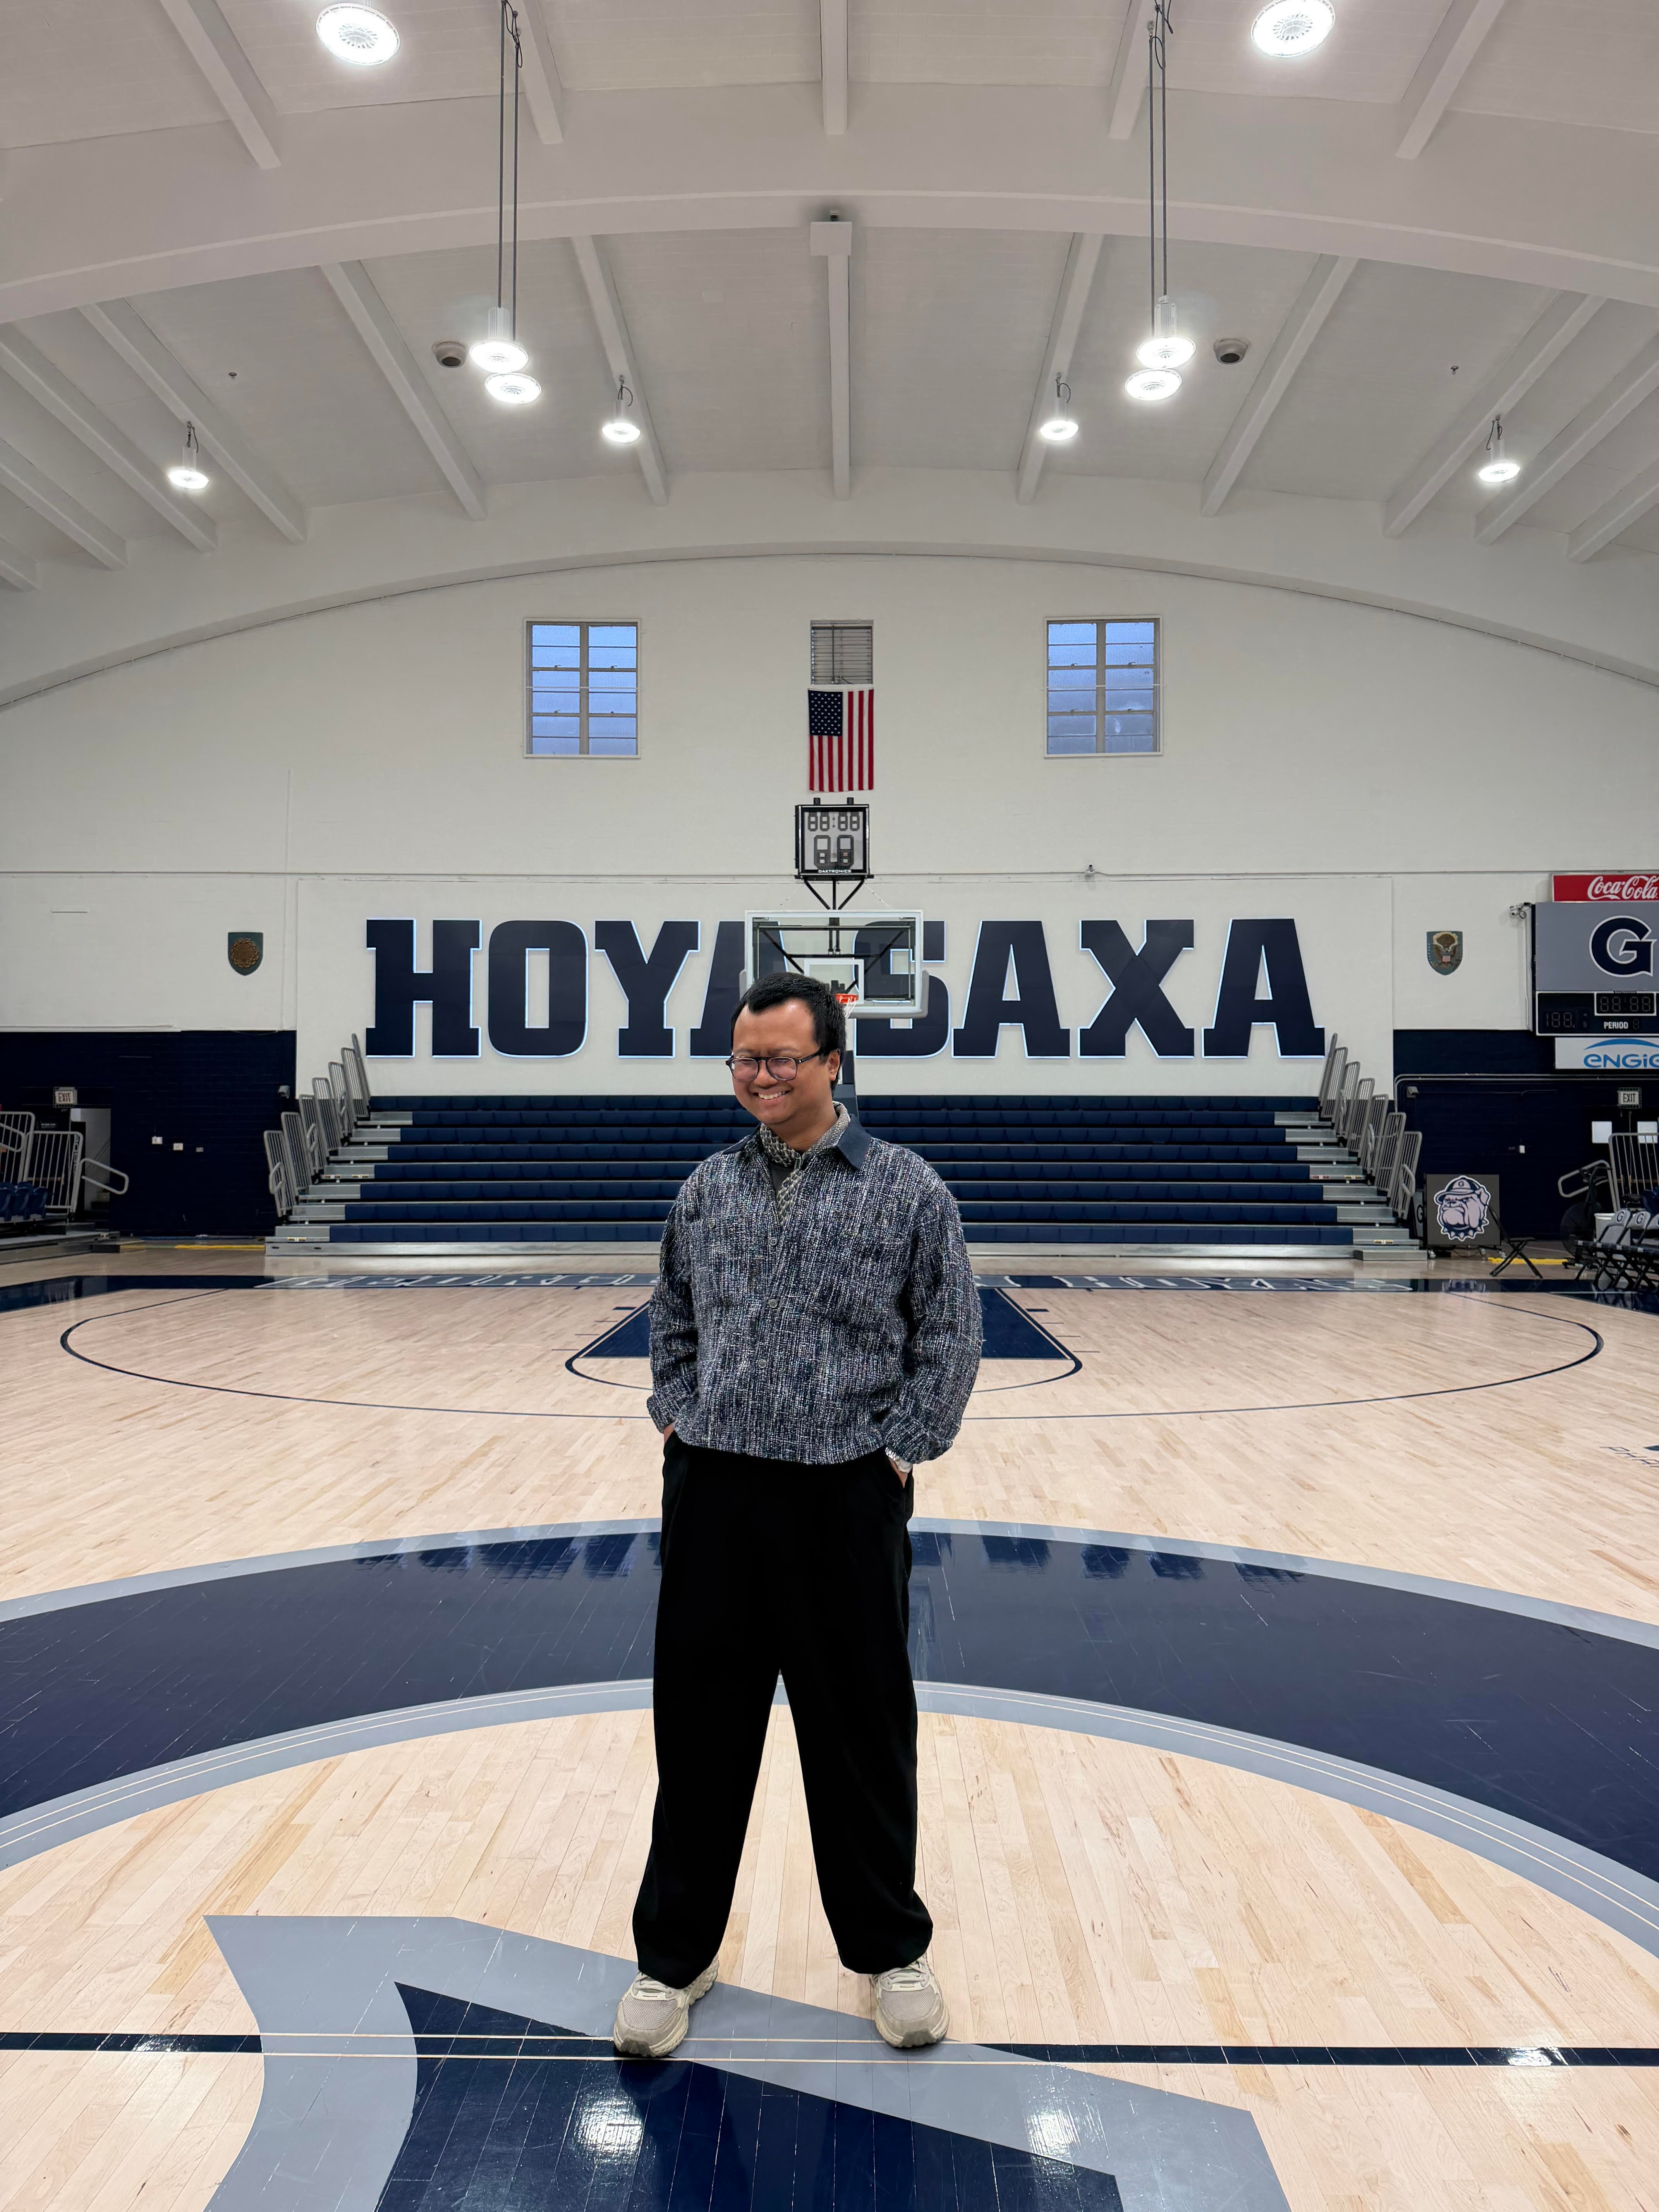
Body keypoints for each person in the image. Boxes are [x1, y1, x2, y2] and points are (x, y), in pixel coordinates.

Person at [612, 970, 981, 2059]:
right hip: (717, 1490)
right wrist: (674, 1414)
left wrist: (903, 1447)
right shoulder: (704, 1188)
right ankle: (672, 1959)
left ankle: (887, 1953)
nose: (759, 1076)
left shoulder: (908, 1190)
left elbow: (950, 1334)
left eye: (779, 1057)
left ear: (833, 1061)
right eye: (744, 1059)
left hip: (842, 1494)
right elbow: (668, 1312)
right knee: (700, 1734)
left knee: (861, 1734)